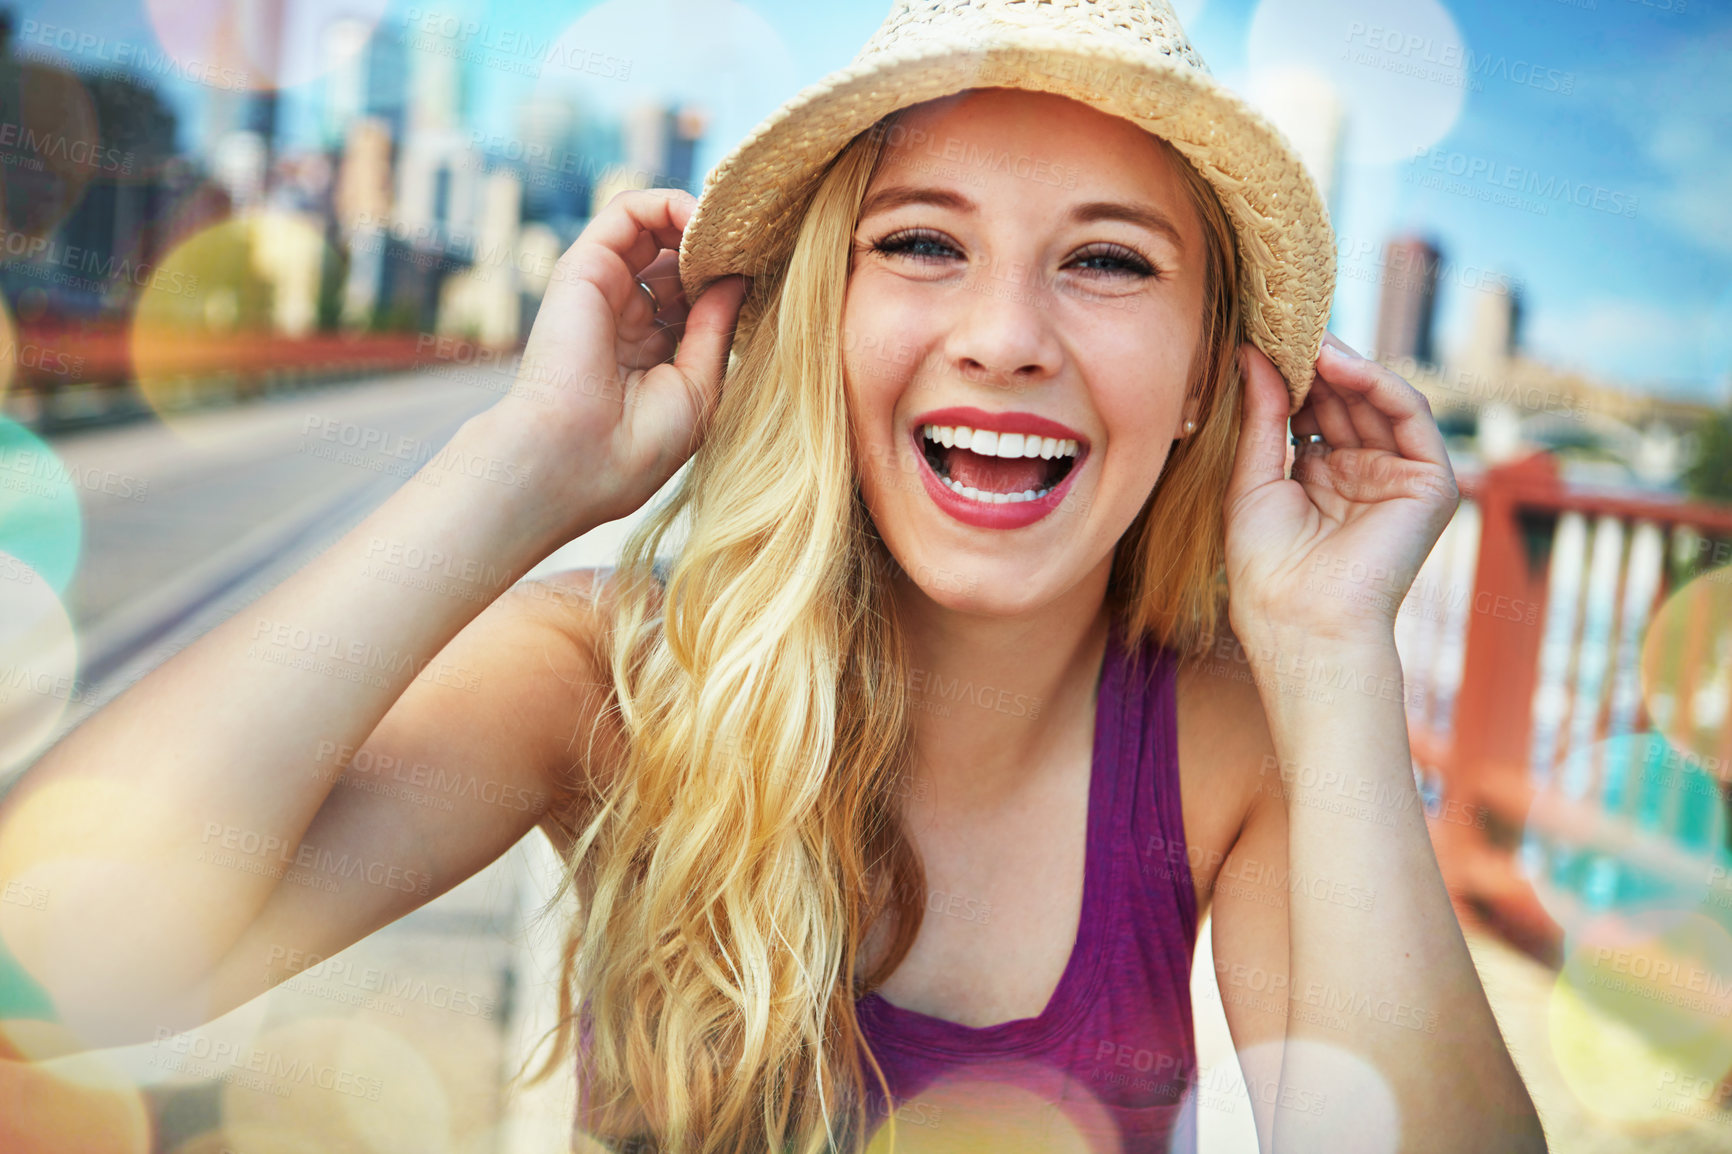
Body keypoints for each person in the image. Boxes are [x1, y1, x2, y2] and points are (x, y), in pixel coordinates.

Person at [0, 1, 1546, 1152]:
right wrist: (520, 473)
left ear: (1213, 380)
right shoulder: (611, 679)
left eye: (1110, 260)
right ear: (820, 318)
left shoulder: (1226, 750)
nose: (1007, 332)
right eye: (924, 244)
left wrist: (1333, 656)